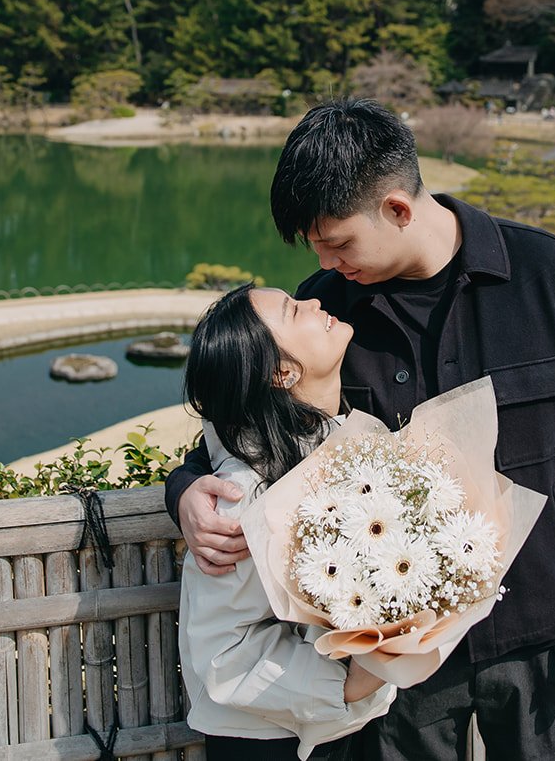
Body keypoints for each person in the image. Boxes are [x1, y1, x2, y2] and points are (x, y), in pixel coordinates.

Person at [167, 97, 555, 760]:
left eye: (338, 242)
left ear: (395, 208)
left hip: (543, 633)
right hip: (401, 667)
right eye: (316, 247)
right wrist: (185, 491)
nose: (328, 262)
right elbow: (245, 429)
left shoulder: (550, 274)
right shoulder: (329, 310)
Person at [179, 283, 396, 761]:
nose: (317, 303)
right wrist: (348, 684)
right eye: (294, 311)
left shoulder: (353, 445)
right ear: (281, 372)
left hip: (342, 729)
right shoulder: (242, 496)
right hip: (267, 743)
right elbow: (223, 652)